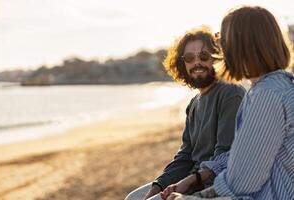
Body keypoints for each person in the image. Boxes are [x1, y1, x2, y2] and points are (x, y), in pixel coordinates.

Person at [167, 5, 294, 200]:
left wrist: (195, 197)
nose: (219, 47)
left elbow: (242, 183)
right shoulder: (276, 86)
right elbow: (244, 155)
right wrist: (199, 176)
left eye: (221, 39)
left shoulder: (266, 96)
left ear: (240, 44)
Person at [124, 26, 245, 200]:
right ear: (183, 63)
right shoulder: (194, 103)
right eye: (189, 57)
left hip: (213, 185)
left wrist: (187, 186)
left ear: (217, 58)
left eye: (204, 56)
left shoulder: (230, 93)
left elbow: (224, 155)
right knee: (134, 198)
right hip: (190, 178)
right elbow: (185, 156)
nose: (197, 63)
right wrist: (158, 185)